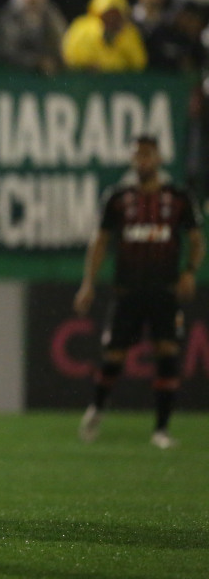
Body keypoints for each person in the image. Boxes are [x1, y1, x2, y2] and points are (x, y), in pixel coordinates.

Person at [74, 136, 202, 450]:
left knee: (167, 353)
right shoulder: (118, 197)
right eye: (136, 155)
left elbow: (197, 239)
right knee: (114, 356)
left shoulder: (179, 196)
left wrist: (189, 272)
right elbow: (100, 242)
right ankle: (98, 409)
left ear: (159, 157)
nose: (141, 161)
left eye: (147, 155)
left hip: (165, 290)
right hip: (127, 290)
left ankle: (161, 429)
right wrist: (88, 283)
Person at [0, 0, 66, 76]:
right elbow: (6, 50)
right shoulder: (9, 16)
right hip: (15, 75)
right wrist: (36, 61)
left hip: (47, 75)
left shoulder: (51, 14)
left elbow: (62, 41)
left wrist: (54, 60)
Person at [61, 0, 147, 72]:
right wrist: (88, 64)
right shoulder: (82, 29)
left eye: (116, 15)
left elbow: (139, 62)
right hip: (85, 81)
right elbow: (70, 57)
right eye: (107, 14)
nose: (111, 19)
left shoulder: (129, 33)